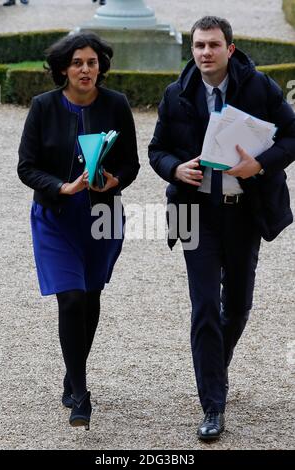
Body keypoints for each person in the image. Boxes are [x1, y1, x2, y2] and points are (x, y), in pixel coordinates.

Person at [148, 16, 295, 441]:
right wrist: (176, 168)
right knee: (206, 307)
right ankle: (213, 404)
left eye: (213, 45)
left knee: (240, 304)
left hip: (245, 212)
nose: (205, 53)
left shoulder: (261, 87)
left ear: (229, 49)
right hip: (196, 214)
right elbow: (156, 151)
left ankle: (215, 366)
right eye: (198, 45)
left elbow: (292, 135)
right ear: (191, 49)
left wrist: (260, 163)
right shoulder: (176, 94)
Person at [18, 32, 139, 430]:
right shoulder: (43, 107)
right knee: (69, 300)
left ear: (101, 65)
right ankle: (81, 394)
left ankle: (73, 374)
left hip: (101, 217)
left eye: (91, 62)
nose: (85, 69)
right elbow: (26, 167)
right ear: (63, 69)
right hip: (55, 217)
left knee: (89, 298)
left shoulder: (117, 104)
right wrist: (62, 186)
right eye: (77, 63)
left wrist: (113, 181)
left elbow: (132, 164)